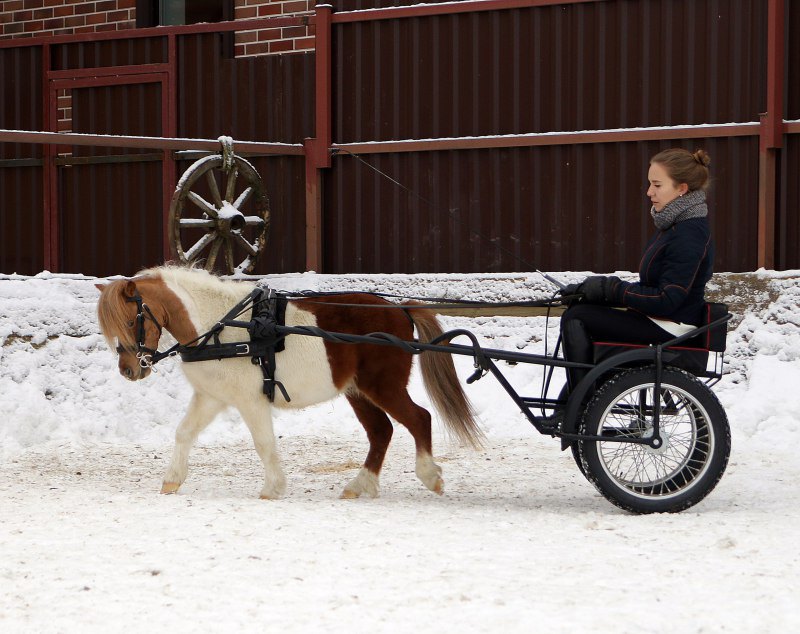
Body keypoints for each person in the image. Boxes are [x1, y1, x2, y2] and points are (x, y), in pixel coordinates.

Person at [559, 147, 714, 390]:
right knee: (580, 309)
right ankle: (578, 401)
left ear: (681, 189)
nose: (649, 192)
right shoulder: (675, 226)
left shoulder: (689, 234)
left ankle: (580, 404)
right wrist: (597, 291)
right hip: (661, 319)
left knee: (577, 318)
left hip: (672, 325)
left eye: (657, 185)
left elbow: (667, 298)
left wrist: (610, 289)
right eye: (649, 184)